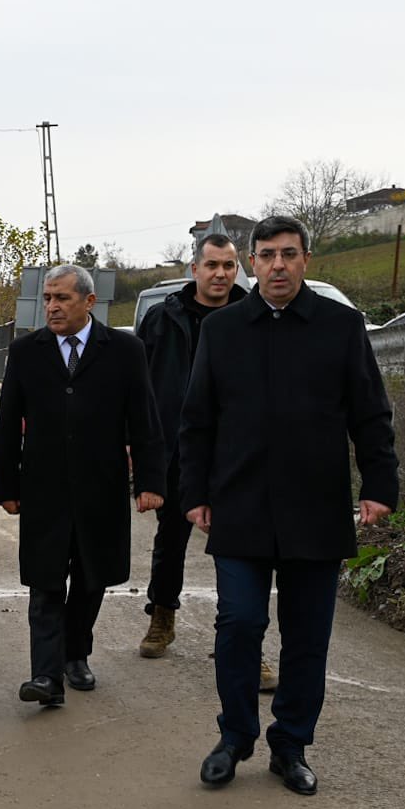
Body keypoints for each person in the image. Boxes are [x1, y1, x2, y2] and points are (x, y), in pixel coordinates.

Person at [180, 216, 398, 796]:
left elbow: (370, 414)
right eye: (268, 255)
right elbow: (198, 419)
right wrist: (194, 493)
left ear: (306, 261)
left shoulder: (341, 327)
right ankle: (235, 737)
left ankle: (291, 743)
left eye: (290, 255)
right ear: (253, 263)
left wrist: (378, 484)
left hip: (316, 506)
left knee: (307, 636)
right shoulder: (223, 331)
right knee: (239, 622)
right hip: (241, 504)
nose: (279, 265)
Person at [0, 264, 163, 708]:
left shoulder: (125, 350)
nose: (52, 306)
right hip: (43, 489)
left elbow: (144, 420)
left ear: (89, 302)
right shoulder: (27, 352)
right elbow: (9, 423)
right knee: (46, 581)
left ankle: (76, 655)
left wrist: (150, 480)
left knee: (92, 579)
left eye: (63, 298)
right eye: (48, 297)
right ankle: (45, 676)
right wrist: (6, 485)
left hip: (101, 487)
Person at [134, 232, 245, 663]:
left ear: (238, 270)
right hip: (178, 449)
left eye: (229, 266)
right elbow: (139, 389)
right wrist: (139, 446)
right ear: (194, 269)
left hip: (236, 452)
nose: (220, 273)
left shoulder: (251, 317)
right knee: (172, 539)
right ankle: (162, 617)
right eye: (212, 265)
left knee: (239, 546)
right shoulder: (163, 319)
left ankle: (239, 639)